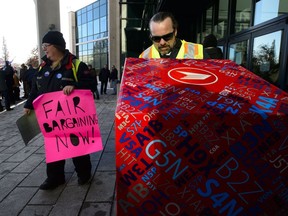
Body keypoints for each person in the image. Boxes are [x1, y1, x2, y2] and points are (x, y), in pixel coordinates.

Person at [24, 30, 96, 190]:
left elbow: (91, 84)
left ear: (55, 46)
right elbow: (36, 89)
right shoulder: (43, 68)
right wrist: (29, 104)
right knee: (54, 147)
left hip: (73, 117)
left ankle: (84, 174)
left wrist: (75, 86)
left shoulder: (76, 65)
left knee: (78, 147)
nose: (43, 49)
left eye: (46, 45)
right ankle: (55, 178)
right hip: (51, 118)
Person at [139, 11, 209, 59]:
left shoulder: (198, 52)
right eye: (156, 38)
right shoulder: (143, 58)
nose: (162, 42)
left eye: (167, 36)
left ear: (175, 31)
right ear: (151, 37)